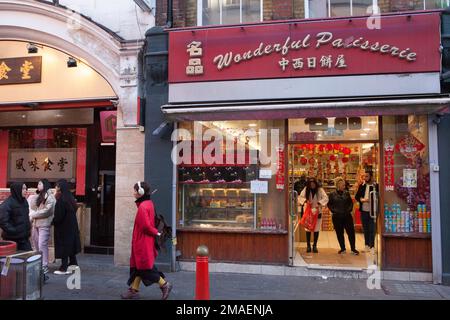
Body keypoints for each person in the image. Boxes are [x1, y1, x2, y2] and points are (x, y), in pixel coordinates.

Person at [121, 181, 173, 300]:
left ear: (140, 192)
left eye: (135, 190)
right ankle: (133, 290)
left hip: (142, 243)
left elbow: (146, 227)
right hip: (143, 241)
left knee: (144, 269)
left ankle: (165, 285)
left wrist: (157, 232)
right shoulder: (147, 203)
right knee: (138, 268)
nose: (133, 192)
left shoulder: (143, 207)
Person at [52, 179, 81, 275]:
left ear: (60, 187)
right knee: (70, 246)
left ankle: (63, 268)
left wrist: (53, 221)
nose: (56, 187)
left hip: (63, 227)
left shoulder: (61, 200)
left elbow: (58, 216)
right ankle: (74, 264)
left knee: (64, 246)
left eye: (57, 186)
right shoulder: (69, 197)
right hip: (71, 226)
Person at [28, 179, 55, 275]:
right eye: (38, 183)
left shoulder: (50, 197)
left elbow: (47, 211)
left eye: (40, 183)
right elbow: (33, 207)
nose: (38, 185)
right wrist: (33, 197)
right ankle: (38, 263)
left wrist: (34, 215)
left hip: (44, 224)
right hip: (35, 224)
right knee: (35, 244)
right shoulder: (39, 196)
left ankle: (44, 265)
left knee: (42, 244)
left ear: (45, 185)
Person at [328, 177, 359, 255]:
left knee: (351, 232)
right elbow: (329, 204)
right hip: (337, 217)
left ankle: (353, 248)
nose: (344, 187)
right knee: (339, 233)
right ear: (338, 185)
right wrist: (334, 211)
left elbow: (350, 203)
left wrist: (348, 210)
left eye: (344, 185)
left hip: (347, 216)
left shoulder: (346, 193)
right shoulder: (332, 194)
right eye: (342, 185)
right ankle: (342, 249)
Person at [298, 177, 328, 253]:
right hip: (308, 212)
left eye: (313, 184)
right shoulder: (306, 189)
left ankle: (314, 245)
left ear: (316, 183)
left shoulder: (320, 190)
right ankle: (308, 245)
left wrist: (319, 203)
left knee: (316, 229)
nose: (312, 185)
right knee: (308, 229)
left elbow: (326, 198)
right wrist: (305, 201)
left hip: (317, 212)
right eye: (310, 184)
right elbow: (300, 197)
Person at [0, 183, 32, 251]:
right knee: (13, 260)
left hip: (24, 238)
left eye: (26, 188)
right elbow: (3, 221)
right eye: (23, 189)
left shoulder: (24, 202)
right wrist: (14, 231)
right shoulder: (7, 204)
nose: (25, 191)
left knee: (29, 257)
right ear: (17, 190)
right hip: (12, 239)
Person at [355, 171, 379, 250]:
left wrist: (372, 199)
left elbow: (379, 197)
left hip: (373, 211)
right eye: (364, 176)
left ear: (371, 177)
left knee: (372, 229)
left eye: (367, 176)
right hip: (364, 210)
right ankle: (366, 245)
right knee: (365, 228)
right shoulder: (362, 186)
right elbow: (357, 196)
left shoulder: (376, 186)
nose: (365, 178)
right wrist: (361, 199)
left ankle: (372, 245)